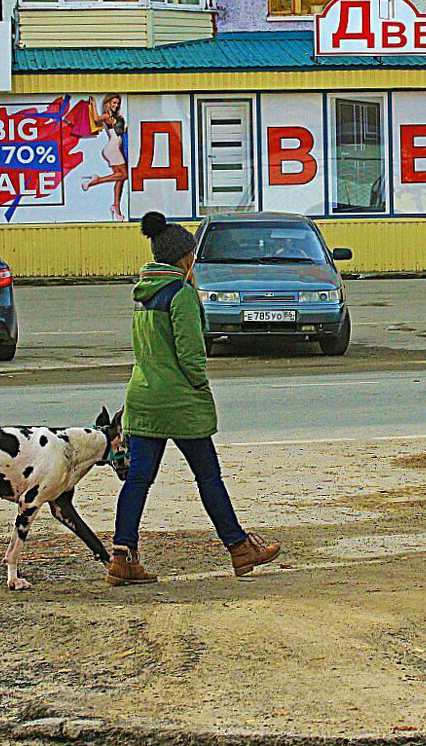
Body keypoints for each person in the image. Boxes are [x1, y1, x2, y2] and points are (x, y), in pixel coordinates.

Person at [107, 212, 281, 585]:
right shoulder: (181, 295)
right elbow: (190, 355)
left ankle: (122, 557)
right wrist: (199, 386)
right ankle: (239, 548)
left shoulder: (143, 294)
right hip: (180, 401)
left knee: (137, 480)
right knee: (208, 478)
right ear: (184, 256)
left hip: (143, 397)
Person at [79, 93, 128, 222]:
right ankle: (96, 180)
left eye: (117, 103)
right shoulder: (108, 116)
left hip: (116, 148)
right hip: (112, 148)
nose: (116, 105)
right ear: (108, 103)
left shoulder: (118, 116)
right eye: (114, 103)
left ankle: (116, 208)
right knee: (124, 175)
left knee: (120, 179)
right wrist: (93, 105)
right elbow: (96, 119)